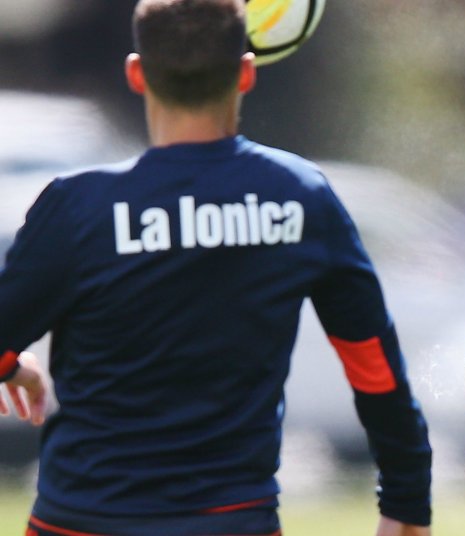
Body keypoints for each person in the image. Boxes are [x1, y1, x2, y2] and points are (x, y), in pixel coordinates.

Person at [0, 1, 432, 535]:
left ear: (137, 73)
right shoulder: (298, 198)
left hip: (81, 522)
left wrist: (12, 367)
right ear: (246, 72)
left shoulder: (77, 206)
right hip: (232, 523)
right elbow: (374, 366)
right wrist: (406, 501)